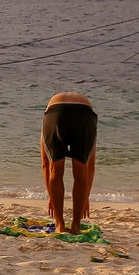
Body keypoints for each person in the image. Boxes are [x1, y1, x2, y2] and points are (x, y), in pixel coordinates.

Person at [41, 92, 98, 234]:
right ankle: (76, 226)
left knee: (55, 170)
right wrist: (85, 198)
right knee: (81, 170)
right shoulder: (82, 102)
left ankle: (59, 225)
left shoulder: (48, 113)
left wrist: (52, 196)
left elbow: (46, 166)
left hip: (56, 111)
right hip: (85, 113)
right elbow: (90, 167)